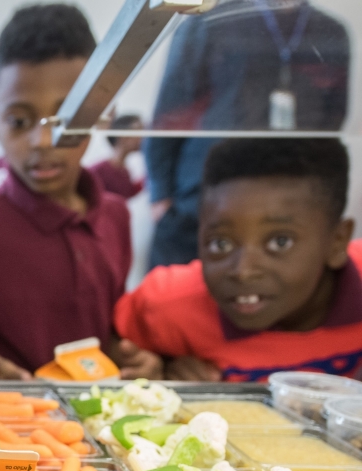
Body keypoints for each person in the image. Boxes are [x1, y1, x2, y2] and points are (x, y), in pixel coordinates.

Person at [0, 4, 160, 380]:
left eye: (65, 119)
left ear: (102, 114)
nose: (43, 141)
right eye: (19, 121)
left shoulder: (115, 216)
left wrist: (134, 358)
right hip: (13, 423)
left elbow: (108, 333)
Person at [117, 138, 362, 382]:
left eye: (279, 242)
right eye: (220, 244)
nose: (243, 271)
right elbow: (111, 345)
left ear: (337, 241)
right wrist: (156, 370)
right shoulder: (168, 303)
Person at [145, 0, 349, 269]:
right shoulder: (210, 20)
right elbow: (170, 110)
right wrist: (161, 195)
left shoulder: (331, 31)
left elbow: (332, 119)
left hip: (287, 201)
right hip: (201, 198)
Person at [91, 114, 144, 201]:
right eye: (139, 132)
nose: (143, 138)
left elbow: (126, 193)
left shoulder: (125, 171)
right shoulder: (98, 170)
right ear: (124, 136)